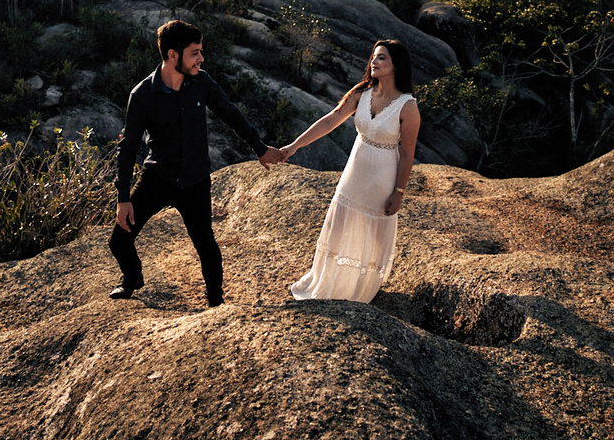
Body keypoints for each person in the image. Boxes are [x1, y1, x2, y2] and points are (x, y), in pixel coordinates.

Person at [109, 19, 285, 307]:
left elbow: (231, 114)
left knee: (206, 244)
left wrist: (260, 148)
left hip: (195, 180)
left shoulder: (202, 82)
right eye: (195, 53)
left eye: (201, 51)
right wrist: (123, 197)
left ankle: (215, 303)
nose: (201, 59)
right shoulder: (142, 95)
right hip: (158, 177)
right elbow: (128, 147)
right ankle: (132, 276)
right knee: (118, 241)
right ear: (172, 55)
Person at [282, 39, 420, 304]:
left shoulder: (408, 106)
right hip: (354, 172)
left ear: (396, 65)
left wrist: (399, 192)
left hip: (382, 178)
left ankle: (363, 286)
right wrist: (295, 145)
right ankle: (327, 280)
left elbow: (407, 155)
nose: (374, 61)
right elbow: (331, 119)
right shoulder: (362, 92)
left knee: (373, 234)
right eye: (374, 56)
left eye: (382, 57)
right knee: (338, 227)